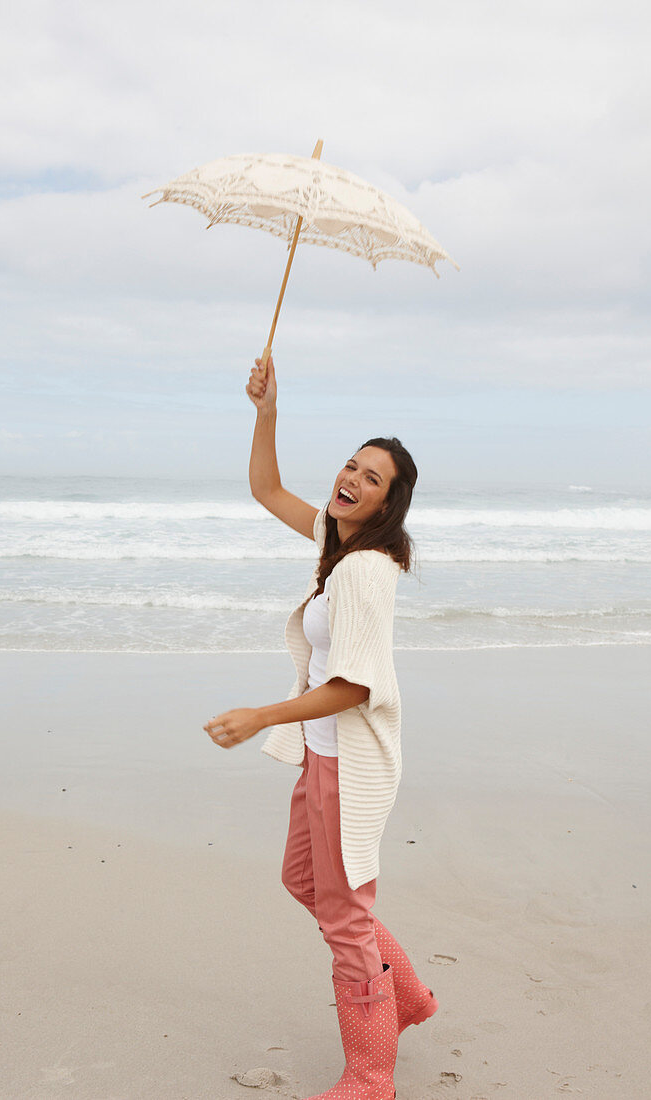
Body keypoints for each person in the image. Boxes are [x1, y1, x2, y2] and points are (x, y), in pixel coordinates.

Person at [203, 355, 437, 1100]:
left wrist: (260, 716)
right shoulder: (337, 545)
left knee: (345, 923)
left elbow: (351, 686)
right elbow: (265, 488)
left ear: (387, 504)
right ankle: (407, 997)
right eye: (351, 466)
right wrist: (266, 412)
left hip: (348, 764)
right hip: (320, 758)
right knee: (304, 880)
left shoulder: (366, 569)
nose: (352, 481)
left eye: (372, 480)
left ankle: (370, 1077)